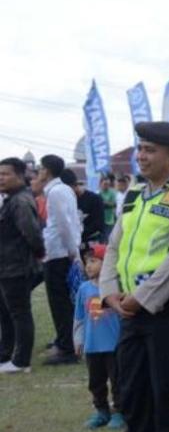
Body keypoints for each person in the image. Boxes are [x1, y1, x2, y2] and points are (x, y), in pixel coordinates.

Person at [99, 121, 169, 432]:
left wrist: (141, 298)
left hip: (166, 313)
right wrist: (108, 291)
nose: (141, 157)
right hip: (130, 312)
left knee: (167, 400)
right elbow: (115, 245)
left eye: (150, 150)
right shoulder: (133, 196)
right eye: (140, 149)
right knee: (132, 397)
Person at [0, 157, 45, 374]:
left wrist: (38, 254)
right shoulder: (11, 199)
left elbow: (32, 233)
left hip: (17, 267)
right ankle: (6, 354)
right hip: (6, 266)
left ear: (20, 175)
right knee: (6, 313)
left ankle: (21, 361)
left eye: (5, 174)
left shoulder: (20, 201)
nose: (1, 178)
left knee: (19, 313)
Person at [74, 243, 125, 430]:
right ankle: (101, 411)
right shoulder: (84, 289)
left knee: (118, 379)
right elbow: (79, 317)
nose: (88, 265)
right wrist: (78, 339)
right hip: (92, 346)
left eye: (94, 261)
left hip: (113, 344)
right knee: (96, 381)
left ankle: (120, 411)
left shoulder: (116, 287)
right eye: (87, 261)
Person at [38, 154, 81, 365]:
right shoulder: (62, 190)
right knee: (63, 301)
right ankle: (65, 339)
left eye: (40, 169)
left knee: (60, 302)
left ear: (46, 170)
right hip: (61, 251)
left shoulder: (56, 191)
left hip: (58, 253)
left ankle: (67, 347)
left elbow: (64, 223)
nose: (38, 172)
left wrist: (73, 250)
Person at [61, 170, 104, 251]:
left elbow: (99, 224)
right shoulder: (66, 200)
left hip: (90, 243)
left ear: (74, 185)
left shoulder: (94, 199)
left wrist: (78, 233)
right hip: (72, 244)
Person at [99, 175, 118, 240]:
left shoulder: (112, 193)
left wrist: (103, 203)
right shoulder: (98, 193)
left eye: (108, 184)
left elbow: (113, 204)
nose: (106, 186)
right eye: (105, 184)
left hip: (110, 220)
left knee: (108, 239)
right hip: (100, 220)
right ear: (100, 184)